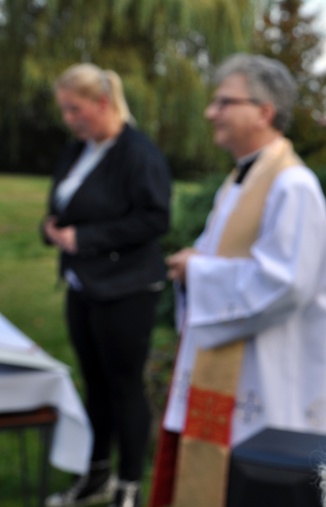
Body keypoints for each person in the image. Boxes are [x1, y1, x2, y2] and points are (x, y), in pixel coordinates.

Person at [149, 54, 326, 507]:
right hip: (233, 370)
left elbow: (285, 282)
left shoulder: (293, 186)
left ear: (263, 112)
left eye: (223, 102)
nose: (210, 112)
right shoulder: (241, 181)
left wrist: (196, 271)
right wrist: (192, 266)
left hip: (267, 379)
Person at [42, 63, 171, 507]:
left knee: (124, 386)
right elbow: (62, 204)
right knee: (94, 384)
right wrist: (53, 229)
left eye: (74, 109)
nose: (69, 119)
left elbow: (155, 218)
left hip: (127, 289)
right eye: (64, 110)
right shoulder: (78, 149)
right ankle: (95, 476)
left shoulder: (137, 152)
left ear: (102, 103)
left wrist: (86, 239)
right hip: (83, 285)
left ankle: (129, 486)